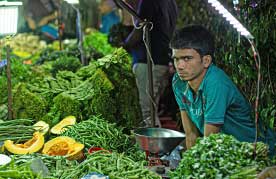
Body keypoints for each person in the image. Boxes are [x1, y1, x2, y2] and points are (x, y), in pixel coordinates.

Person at [171, 25, 276, 155]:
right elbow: (191, 134)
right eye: (176, 59)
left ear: (206, 61)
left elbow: (209, 141)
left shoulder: (216, 83)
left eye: (187, 58)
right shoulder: (178, 82)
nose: (179, 66)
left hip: (257, 153)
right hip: (226, 153)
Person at [123, 0, 178, 127]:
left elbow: (140, 30)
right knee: (150, 110)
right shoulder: (171, 3)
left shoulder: (147, 1)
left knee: (147, 113)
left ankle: (152, 145)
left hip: (149, 62)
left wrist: (124, 45)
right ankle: (152, 143)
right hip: (160, 60)